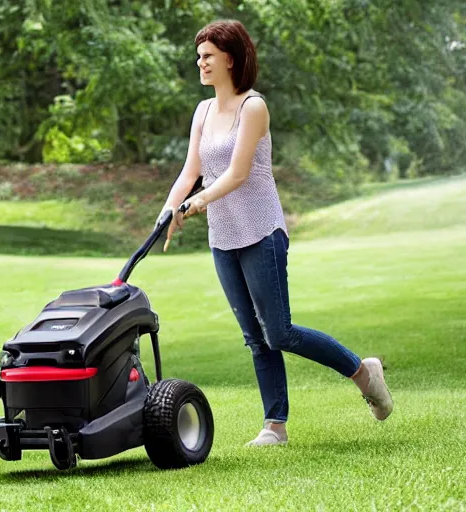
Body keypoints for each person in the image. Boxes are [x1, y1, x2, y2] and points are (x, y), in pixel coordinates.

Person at [159, 19, 393, 446]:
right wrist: (169, 208)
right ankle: (275, 426)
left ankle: (364, 373)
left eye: (208, 56)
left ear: (230, 58)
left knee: (279, 331)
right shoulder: (203, 111)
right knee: (255, 337)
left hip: (261, 230)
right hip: (223, 237)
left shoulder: (253, 107)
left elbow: (237, 173)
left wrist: (197, 202)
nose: (201, 63)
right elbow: (190, 170)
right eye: (199, 57)